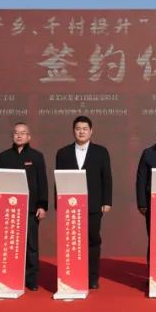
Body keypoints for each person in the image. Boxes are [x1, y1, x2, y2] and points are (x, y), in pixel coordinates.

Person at [54, 116, 112, 289]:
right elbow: (58, 180)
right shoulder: (63, 153)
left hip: (93, 204)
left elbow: (107, 178)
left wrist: (107, 201)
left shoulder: (101, 152)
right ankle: (72, 274)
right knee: (71, 241)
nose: (81, 132)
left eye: (85, 128)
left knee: (93, 240)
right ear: (73, 131)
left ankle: (92, 277)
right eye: (78, 128)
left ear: (91, 131)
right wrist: (58, 203)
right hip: (69, 205)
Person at [0, 122, 48, 291]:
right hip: (8, 210)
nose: (19, 135)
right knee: (10, 245)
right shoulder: (4, 156)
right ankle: (10, 277)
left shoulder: (36, 156)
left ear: (29, 136)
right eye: (16, 133)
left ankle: (31, 280)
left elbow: (42, 182)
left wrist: (42, 205)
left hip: (31, 208)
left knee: (31, 246)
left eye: (23, 133)